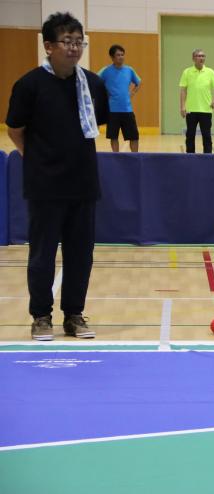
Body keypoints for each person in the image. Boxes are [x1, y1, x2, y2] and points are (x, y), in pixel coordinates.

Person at [5, 12, 109, 341]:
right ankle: (40, 316)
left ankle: (74, 315)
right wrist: (36, 159)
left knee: (81, 254)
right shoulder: (29, 85)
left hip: (83, 183)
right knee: (42, 254)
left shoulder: (92, 83)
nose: (74, 48)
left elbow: (98, 124)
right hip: (45, 186)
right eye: (67, 42)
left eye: (79, 42)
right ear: (48, 46)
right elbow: (15, 130)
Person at [98, 44, 141, 152]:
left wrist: (133, 93)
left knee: (134, 136)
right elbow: (96, 81)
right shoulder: (106, 71)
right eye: (118, 55)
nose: (121, 57)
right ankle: (116, 157)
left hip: (127, 110)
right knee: (113, 137)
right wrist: (105, 93)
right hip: (112, 111)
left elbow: (138, 82)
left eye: (122, 54)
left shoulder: (129, 70)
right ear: (112, 57)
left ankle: (135, 157)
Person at [179, 49, 214, 153]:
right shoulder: (187, 72)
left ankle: (207, 158)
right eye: (198, 56)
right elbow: (183, 90)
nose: (201, 58)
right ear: (193, 58)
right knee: (190, 135)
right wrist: (182, 107)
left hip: (206, 110)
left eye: (203, 56)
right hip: (191, 110)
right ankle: (190, 158)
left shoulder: (210, 72)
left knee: (206, 136)